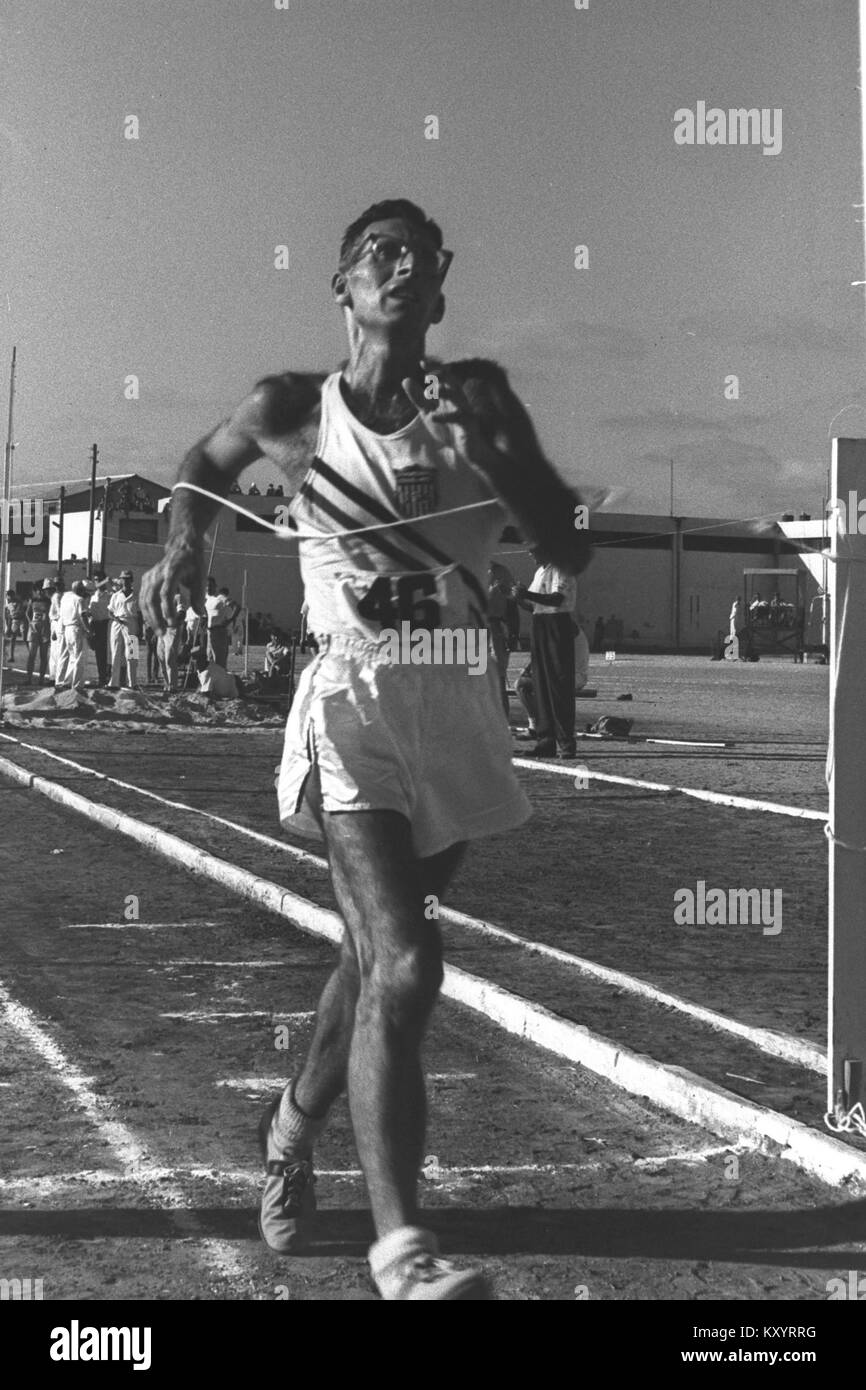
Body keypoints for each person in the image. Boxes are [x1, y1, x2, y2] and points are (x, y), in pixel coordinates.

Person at [140, 197, 590, 1301]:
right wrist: (185, 545)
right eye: (376, 253)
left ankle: (288, 1127)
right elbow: (200, 464)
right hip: (349, 703)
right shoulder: (294, 408)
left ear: (437, 291)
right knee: (405, 960)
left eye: (418, 258)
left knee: (372, 961)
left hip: (455, 708)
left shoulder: (477, 397)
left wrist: (498, 456)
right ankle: (404, 1255)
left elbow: (566, 541)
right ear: (341, 284)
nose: (397, 268)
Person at [515, 547, 578, 758]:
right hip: (540, 623)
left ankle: (566, 743)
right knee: (541, 684)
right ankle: (546, 740)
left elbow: (556, 599)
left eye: (534, 550)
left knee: (558, 684)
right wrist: (517, 598)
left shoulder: (561, 568)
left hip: (556, 625)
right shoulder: (540, 571)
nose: (530, 554)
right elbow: (534, 605)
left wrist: (528, 594)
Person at [487, 560, 515, 719]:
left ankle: (503, 721)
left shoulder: (501, 572)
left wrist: (513, 633)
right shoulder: (468, 567)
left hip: (494, 626)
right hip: (473, 629)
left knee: (498, 678)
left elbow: (512, 604)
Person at [56, 580, 93, 691]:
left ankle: (67, 681)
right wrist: (88, 629)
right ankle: (77, 685)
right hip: (76, 629)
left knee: (72, 657)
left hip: (67, 629)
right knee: (80, 658)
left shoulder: (66, 598)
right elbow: (83, 616)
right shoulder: (79, 600)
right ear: (80, 589)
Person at [109, 569, 141, 688]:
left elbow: (140, 613)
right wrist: (116, 619)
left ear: (131, 581)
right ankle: (113, 682)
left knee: (132, 654)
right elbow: (110, 612)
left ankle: (133, 683)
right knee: (116, 652)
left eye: (128, 579)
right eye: (123, 579)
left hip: (132, 622)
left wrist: (140, 629)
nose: (126, 581)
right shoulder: (116, 596)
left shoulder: (137, 595)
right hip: (117, 623)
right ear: (121, 580)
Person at [205, 580, 241, 669]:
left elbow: (237, 606)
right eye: (207, 586)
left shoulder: (221, 598)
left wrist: (230, 620)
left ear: (215, 587)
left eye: (210, 586)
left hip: (219, 631)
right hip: (210, 632)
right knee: (210, 658)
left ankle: (221, 678)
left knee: (219, 660)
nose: (208, 588)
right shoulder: (207, 599)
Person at [87, 570, 112, 686]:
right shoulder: (93, 596)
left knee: (108, 652)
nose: (97, 582)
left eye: (99, 579)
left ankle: (109, 677)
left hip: (107, 625)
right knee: (99, 653)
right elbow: (89, 613)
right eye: (96, 580)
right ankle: (101, 677)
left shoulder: (110, 595)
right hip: (96, 625)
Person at [25, 581, 53, 686]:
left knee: (43, 655)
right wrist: (30, 623)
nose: (40, 592)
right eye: (38, 590)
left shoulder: (48, 601)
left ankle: (41, 679)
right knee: (31, 655)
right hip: (34, 628)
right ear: (35, 591)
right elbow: (27, 613)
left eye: (42, 590)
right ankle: (29, 679)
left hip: (45, 628)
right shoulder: (32, 600)